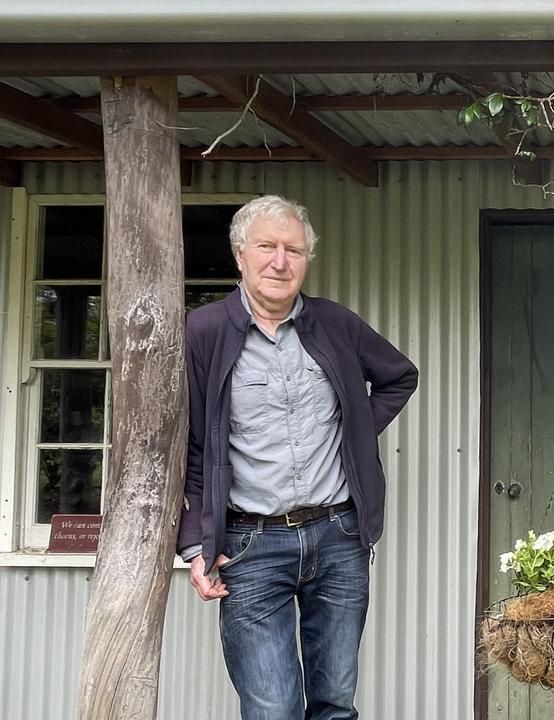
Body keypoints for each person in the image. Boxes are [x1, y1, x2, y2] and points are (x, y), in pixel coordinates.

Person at [177, 195, 418, 720]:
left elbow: (401, 376)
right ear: (240, 255)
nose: (280, 261)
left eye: (294, 249)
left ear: (307, 259)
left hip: (339, 538)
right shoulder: (204, 332)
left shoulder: (335, 324)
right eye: (267, 247)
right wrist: (195, 544)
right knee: (272, 709)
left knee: (334, 704)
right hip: (248, 546)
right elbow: (192, 447)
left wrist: (355, 432)